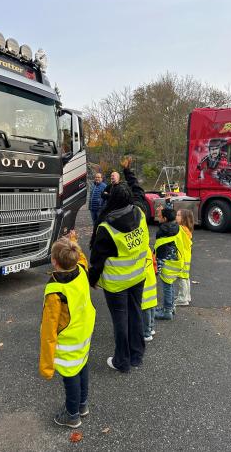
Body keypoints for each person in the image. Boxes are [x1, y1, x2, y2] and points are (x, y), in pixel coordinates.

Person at [89, 158, 149, 372]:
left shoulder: (106, 227)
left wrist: (92, 280)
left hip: (117, 284)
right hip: (138, 276)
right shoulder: (140, 212)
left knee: (120, 321)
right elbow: (139, 191)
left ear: (111, 200)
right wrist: (128, 171)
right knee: (135, 314)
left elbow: (96, 260)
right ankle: (136, 355)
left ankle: (122, 361)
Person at [39, 234, 96, 429]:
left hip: (68, 340)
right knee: (82, 367)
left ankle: (72, 415)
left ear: (54, 261)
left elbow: (48, 329)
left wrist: (46, 366)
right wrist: (73, 241)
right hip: (84, 332)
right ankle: (82, 405)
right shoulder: (81, 269)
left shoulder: (55, 290)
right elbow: (82, 258)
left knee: (70, 375)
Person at [154, 207, 185, 320]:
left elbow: (161, 254)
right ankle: (171, 308)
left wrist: (157, 269)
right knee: (170, 286)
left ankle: (167, 312)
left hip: (167, 263)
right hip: (176, 261)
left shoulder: (163, 233)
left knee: (167, 287)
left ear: (165, 218)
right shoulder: (175, 226)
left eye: (160, 215)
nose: (158, 217)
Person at [174, 209, 194, 306]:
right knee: (186, 277)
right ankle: (187, 296)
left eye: (178, 215)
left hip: (182, 257)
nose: (176, 217)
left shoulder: (180, 229)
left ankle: (182, 298)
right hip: (187, 256)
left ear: (184, 218)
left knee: (181, 277)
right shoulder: (187, 229)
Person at [141, 247, 158, 341]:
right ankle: (151, 328)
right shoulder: (147, 248)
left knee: (145, 307)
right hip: (151, 278)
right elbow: (154, 262)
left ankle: (146, 333)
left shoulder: (141, 249)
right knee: (151, 305)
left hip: (144, 281)